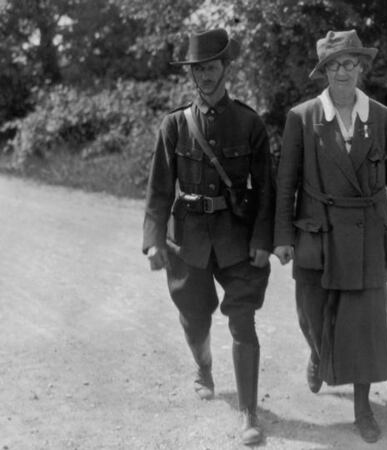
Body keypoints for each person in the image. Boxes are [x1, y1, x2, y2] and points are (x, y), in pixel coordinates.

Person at [272, 30, 387, 443]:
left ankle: (362, 408)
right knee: (310, 314)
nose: (343, 71)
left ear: (360, 68)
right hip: (317, 230)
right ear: (324, 72)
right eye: (334, 65)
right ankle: (320, 355)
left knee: (364, 325)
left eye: (350, 63)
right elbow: (286, 183)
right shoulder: (302, 117)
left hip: (368, 231)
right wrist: (282, 236)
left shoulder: (382, 116)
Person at [142, 28, 274, 445]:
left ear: (225, 68)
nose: (205, 76)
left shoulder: (249, 123)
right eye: (198, 69)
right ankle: (203, 367)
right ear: (191, 75)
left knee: (242, 319)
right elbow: (159, 190)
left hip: (237, 237)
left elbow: (266, 192)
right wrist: (153, 240)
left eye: (212, 67)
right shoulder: (174, 125)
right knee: (194, 315)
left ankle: (249, 413)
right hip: (189, 239)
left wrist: (262, 241)